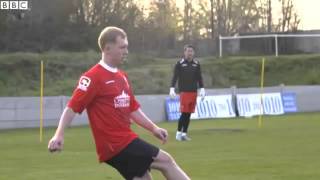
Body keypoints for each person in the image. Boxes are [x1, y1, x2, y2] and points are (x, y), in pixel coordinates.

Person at [48, 26, 190, 180]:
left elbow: (132, 109)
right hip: (115, 144)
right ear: (107, 48)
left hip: (123, 141)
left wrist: (153, 128)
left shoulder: (122, 76)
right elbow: (72, 107)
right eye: (122, 47)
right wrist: (59, 135)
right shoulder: (92, 77)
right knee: (166, 161)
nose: (126, 51)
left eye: (127, 47)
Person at [169, 44, 205, 141]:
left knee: (189, 114)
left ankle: (184, 133)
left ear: (194, 53)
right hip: (184, 92)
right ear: (184, 52)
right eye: (188, 51)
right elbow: (175, 77)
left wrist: (202, 88)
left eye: (191, 51)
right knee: (184, 113)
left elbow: (199, 77)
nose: (189, 53)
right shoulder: (179, 64)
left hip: (193, 92)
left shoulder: (196, 64)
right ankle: (178, 133)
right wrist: (172, 88)